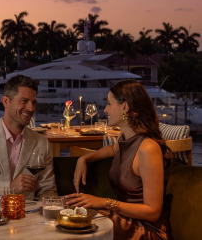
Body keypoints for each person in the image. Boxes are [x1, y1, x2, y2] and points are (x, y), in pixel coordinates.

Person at [65, 80, 173, 240]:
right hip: (125, 221)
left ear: (126, 107)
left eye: (109, 103)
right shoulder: (124, 139)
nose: (106, 109)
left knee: (83, 226)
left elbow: (153, 212)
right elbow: (113, 150)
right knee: (71, 214)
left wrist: (103, 202)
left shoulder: (148, 148)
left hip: (146, 230)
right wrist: (84, 158)